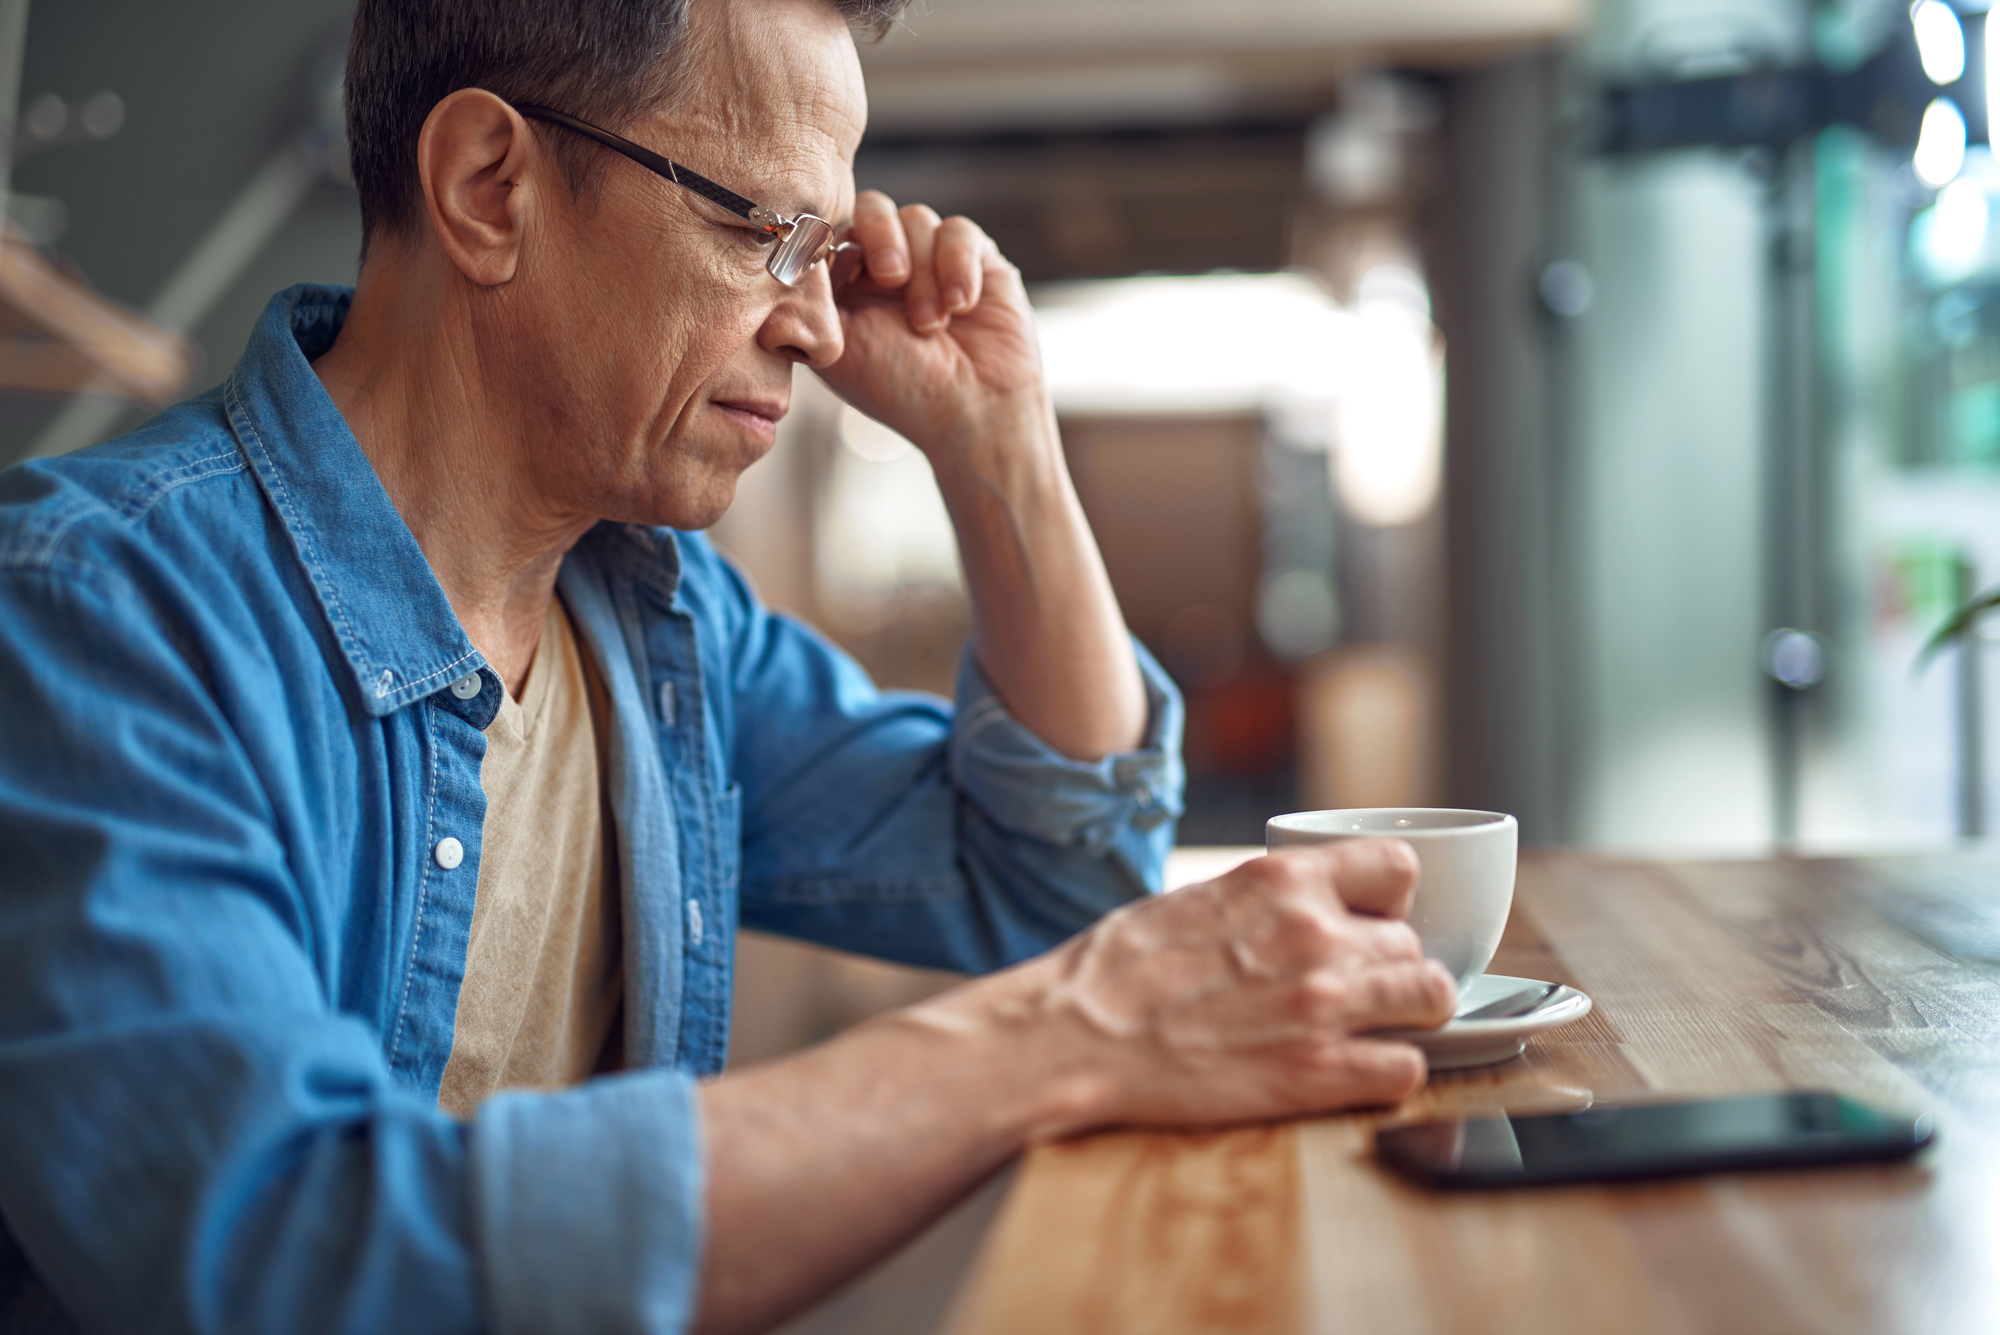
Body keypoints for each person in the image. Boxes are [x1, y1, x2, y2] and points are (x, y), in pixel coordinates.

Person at [0, 0, 1458, 1331]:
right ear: (488, 188)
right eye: (765, 229)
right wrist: (1066, 1038)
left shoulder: (654, 621)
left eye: (824, 250)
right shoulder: (90, 620)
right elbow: (293, 1247)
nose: (818, 323)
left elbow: (1052, 875)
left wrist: (999, 442)